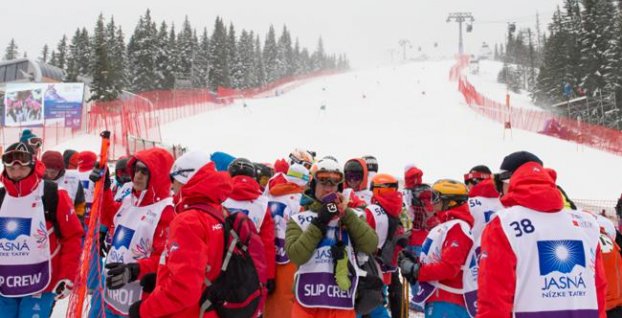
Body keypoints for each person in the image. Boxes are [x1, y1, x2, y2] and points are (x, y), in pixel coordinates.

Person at [477, 151, 607, 317]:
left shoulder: (503, 223)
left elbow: (493, 300)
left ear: (508, 182)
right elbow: (599, 292)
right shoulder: (586, 223)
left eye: (498, 185)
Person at [128, 153, 233, 317]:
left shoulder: (188, 220)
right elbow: (200, 266)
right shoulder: (216, 209)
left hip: (187, 312)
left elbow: (184, 289)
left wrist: (145, 310)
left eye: (172, 178)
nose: (171, 185)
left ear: (184, 178)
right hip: (208, 306)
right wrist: (158, 279)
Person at [285, 156, 378, 318]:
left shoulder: (353, 215)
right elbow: (296, 256)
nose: (328, 189)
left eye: (333, 184)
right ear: (313, 185)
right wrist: (320, 222)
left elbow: (371, 245)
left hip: (342, 302)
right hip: (308, 303)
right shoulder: (299, 219)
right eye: (322, 183)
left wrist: (346, 213)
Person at [90, 148, 176, 317]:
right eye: (136, 169)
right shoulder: (130, 200)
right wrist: (104, 188)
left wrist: (134, 270)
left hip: (137, 299)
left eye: (145, 171)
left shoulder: (166, 210)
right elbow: (109, 217)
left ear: (158, 175)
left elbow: (166, 258)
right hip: (111, 292)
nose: (138, 175)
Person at [0, 142, 84, 317]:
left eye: (22, 161)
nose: (16, 167)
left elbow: (73, 237)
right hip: (4, 286)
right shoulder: (1, 197)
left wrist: (67, 275)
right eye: (10, 161)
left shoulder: (53, 194)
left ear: (32, 163)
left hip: (40, 283)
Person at [401, 179, 473, 318]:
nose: (431, 202)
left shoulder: (458, 227)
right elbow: (438, 257)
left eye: (435, 197)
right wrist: (415, 263)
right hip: (439, 298)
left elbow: (449, 268)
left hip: (448, 302)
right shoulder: (447, 225)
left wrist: (416, 271)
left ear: (450, 202)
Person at [223, 158, 276, 296]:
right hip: (251, 269)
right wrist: (269, 276)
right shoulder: (263, 204)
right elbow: (267, 245)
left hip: (221, 265)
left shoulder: (218, 197)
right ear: (254, 177)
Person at [263, 162, 310, 318]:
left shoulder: (268, 194)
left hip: (267, 251)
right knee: (285, 296)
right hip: (289, 253)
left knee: (268, 293)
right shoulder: (300, 201)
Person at [360, 173, 406, 318]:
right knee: (378, 302)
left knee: (362, 305)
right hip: (386, 269)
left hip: (369, 267)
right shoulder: (394, 209)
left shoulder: (373, 210)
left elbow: (362, 238)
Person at [41, 150, 86, 222]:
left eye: (53, 172)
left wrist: (78, 221)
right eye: (46, 171)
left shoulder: (73, 179)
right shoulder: (37, 179)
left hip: (67, 222)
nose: (49, 175)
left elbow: (80, 204)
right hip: (43, 223)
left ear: (61, 168)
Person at [464, 165, 502, 242]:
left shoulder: (466, 203)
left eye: (468, 182)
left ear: (474, 181)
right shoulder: (507, 200)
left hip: (476, 250)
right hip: (503, 249)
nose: (467, 187)